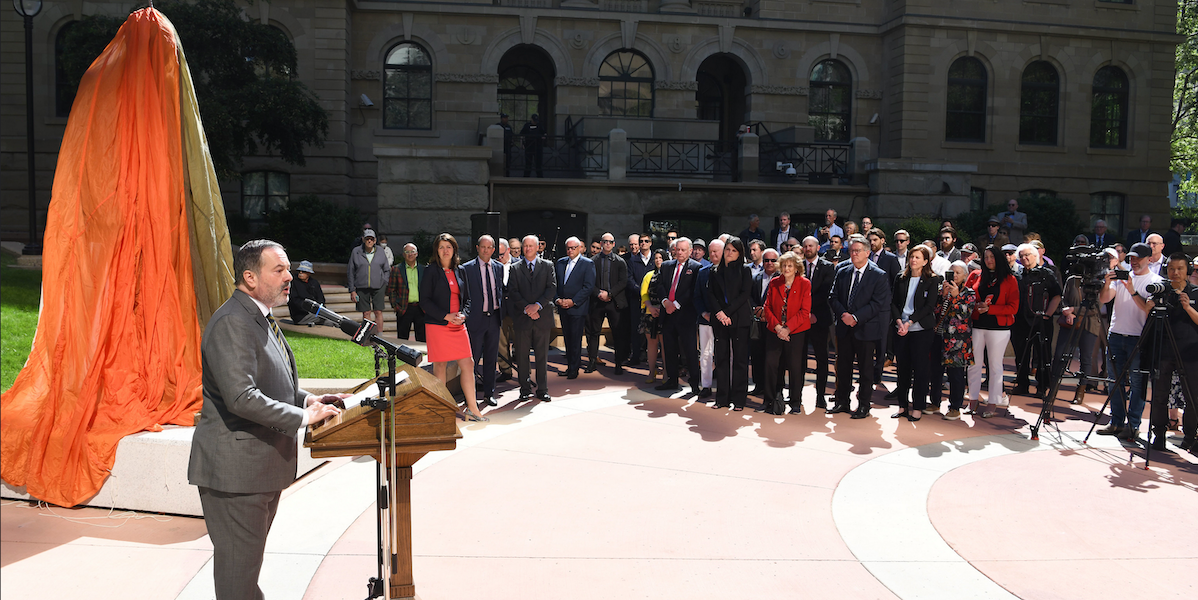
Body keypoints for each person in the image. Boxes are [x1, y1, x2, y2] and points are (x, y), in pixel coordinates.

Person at [189, 240, 346, 600]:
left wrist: (309, 399)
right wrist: (304, 417)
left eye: (288, 269)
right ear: (249, 276)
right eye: (279, 270)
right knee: (237, 577)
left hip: (256, 470)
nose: (290, 277)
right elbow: (242, 397)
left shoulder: (259, 315)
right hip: (236, 474)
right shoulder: (232, 321)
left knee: (244, 571)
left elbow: (272, 382)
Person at [1096, 242, 1163, 441]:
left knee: (1137, 383)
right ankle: (1116, 421)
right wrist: (1107, 283)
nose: (1133, 262)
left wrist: (1133, 291)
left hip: (1139, 338)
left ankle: (1133, 424)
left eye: (1138, 258)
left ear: (1149, 259)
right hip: (1116, 334)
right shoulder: (1122, 277)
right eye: (1131, 258)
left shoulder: (1155, 281)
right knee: (1114, 381)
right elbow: (1104, 299)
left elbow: (1148, 308)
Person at [421, 233, 486, 422]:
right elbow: (425, 301)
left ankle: (472, 409)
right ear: (436, 250)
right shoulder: (431, 271)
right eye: (441, 247)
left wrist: (463, 314)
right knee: (439, 366)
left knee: (468, 363)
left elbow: (468, 299)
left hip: (458, 325)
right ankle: (441, 411)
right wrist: (445, 316)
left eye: (448, 247)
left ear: (454, 249)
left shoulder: (460, 270)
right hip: (438, 324)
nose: (445, 250)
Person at [828, 235, 893, 418]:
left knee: (865, 371)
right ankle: (842, 401)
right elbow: (833, 296)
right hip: (844, 328)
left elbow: (877, 303)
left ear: (867, 253)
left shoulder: (878, 275)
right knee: (843, 368)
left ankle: (864, 405)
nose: (853, 254)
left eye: (857, 251)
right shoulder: (843, 271)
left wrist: (856, 317)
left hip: (866, 329)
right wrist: (844, 315)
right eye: (851, 251)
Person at [1149, 254, 1198, 451]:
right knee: (1160, 395)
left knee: (1193, 397)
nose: (1175, 273)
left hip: (1190, 352)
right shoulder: (1163, 291)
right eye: (1171, 269)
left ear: (1188, 271)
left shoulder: (1195, 292)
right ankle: (1159, 433)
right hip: (1164, 350)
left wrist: (1187, 307)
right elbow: (1148, 317)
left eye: (1179, 269)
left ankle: (1190, 436)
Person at [890, 245, 943, 421]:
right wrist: (899, 322)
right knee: (902, 370)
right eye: (912, 257)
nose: (913, 260)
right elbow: (894, 303)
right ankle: (902, 405)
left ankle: (918, 406)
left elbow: (929, 307)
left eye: (918, 257)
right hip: (901, 330)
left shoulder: (932, 279)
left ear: (926, 261)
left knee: (920, 370)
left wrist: (910, 321)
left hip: (921, 330)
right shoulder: (901, 277)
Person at [966, 246, 1020, 418]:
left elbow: (1014, 307)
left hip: (999, 328)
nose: (989, 260)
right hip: (977, 325)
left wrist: (990, 309)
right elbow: (965, 298)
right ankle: (972, 400)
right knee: (973, 364)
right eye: (986, 257)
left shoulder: (1010, 279)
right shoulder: (975, 275)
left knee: (995, 366)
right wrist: (977, 308)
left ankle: (993, 402)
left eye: (992, 257)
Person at [707, 236, 755, 410]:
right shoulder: (714, 271)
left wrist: (727, 312)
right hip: (720, 320)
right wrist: (720, 313)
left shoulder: (745, 270)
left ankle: (739, 400)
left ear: (739, 253)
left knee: (740, 360)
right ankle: (722, 399)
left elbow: (744, 294)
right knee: (721, 359)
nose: (729, 253)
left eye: (733, 250)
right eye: (727, 249)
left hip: (739, 320)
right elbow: (711, 294)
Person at [762, 251, 812, 415]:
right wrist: (777, 327)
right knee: (771, 364)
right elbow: (767, 307)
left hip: (796, 332)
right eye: (784, 265)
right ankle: (770, 399)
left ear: (797, 267)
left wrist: (787, 329)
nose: (786, 268)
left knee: (795, 366)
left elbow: (805, 312)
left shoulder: (804, 283)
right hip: (775, 330)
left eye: (790, 265)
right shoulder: (775, 282)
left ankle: (795, 402)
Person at [508, 235, 557, 402]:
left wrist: (537, 306)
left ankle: (542, 389)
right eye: (525, 246)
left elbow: (551, 289)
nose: (528, 249)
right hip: (523, 318)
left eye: (531, 246)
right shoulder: (515, 268)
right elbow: (512, 291)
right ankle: (525, 388)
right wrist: (527, 309)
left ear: (537, 248)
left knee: (542, 355)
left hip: (542, 318)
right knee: (522, 356)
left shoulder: (548, 266)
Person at [1010, 244, 1062, 398]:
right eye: (1021, 256)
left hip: (1041, 322)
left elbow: (1057, 295)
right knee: (1021, 354)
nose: (1024, 258)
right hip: (1020, 321)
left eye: (1027, 255)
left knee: (1043, 355)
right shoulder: (1017, 275)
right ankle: (1022, 384)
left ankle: (1042, 386)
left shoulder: (1047, 274)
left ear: (1035, 256)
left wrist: (1048, 314)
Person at [653, 237, 702, 394]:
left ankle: (695, 383)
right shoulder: (666, 266)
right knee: (669, 349)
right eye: (677, 250)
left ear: (690, 251)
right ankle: (672, 380)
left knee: (690, 351)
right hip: (668, 314)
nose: (679, 252)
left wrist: (677, 304)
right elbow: (659, 285)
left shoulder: (696, 267)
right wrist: (665, 301)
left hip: (685, 316)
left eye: (683, 250)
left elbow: (693, 290)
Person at [1052, 256, 1104, 402]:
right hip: (1069, 322)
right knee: (1059, 355)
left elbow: (1096, 307)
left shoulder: (1098, 282)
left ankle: (1080, 391)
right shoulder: (1071, 280)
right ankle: (1054, 387)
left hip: (1089, 323)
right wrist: (1067, 312)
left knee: (1086, 358)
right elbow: (1064, 299)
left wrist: (1073, 310)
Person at [463, 235, 505, 407]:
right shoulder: (466, 268)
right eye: (483, 247)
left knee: (491, 358)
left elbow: (501, 291)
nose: (486, 250)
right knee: (472, 360)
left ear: (494, 249)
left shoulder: (499, 267)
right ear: (477, 248)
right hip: (475, 319)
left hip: (494, 318)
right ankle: (470, 395)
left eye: (489, 247)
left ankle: (489, 393)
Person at [933, 261, 975, 420]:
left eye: (958, 273)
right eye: (952, 272)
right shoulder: (941, 290)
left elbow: (965, 314)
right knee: (935, 372)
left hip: (957, 341)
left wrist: (956, 297)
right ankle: (934, 402)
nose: (955, 276)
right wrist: (943, 296)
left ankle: (955, 406)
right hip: (939, 336)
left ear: (965, 275)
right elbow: (935, 311)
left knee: (956, 375)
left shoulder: (969, 293)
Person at [586, 232, 629, 374]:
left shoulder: (620, 261)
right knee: (594, 332)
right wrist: (598, 293)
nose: (607, 244)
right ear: (601, 243)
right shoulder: (593, 261)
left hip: (614, 301)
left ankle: (618, 364)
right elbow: (589, 282)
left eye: (610, 242)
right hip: (597, 301)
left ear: (614, 244)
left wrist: (610, 294)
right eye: (605, 241)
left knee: (617, 333)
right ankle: (592, 362)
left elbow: (623, 282)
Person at [800, 236, 835, 409]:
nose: (808, 248)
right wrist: (805, 313)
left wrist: (811, 312)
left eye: (811, 246)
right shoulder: (797, 265)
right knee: (799, 358)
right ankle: (795, 395)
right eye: (805, 246)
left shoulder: (828, 267)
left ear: (818, 247)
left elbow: (825, 292)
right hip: (800, 319)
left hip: (819, 318)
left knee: (822, 358)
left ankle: (820, 395)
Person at [554, 236, 594, 379]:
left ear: (579, 248)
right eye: (568, 248)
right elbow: (555, 283)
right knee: (567, 338)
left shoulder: (587, 264)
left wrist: (573, 301)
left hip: (577, 308)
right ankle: (570, 365)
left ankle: (574, 368)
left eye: (573, 248)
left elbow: (588, 287)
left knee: (575, 339)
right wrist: (558, 299)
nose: (570, 251)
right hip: (562, 306)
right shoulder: (560, 263)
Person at [694, 239, 725, 398]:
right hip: (706, 320)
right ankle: (705, 386)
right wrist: (704, 313)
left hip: (725, 321)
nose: (713, 254)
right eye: (711, 251)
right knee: (705, 354)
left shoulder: (730, 272)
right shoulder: (702, 272)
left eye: (716, 251)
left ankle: (725, 387)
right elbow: (697, 297)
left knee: (725, 354)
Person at [749, 248, 780, 396]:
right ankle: (759, 385)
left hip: (774, 323)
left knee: (772, 357)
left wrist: (767, 312)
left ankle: (774, 388)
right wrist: (756, 309)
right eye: (766, 260)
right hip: (757, 322)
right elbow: (749, 296)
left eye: (773, 260)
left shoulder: (782, 279)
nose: (769, 263)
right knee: (757, 355)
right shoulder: (756, 277)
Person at [348, 229, 390, 329]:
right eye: (367, 239)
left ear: (375, 240)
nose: (369, 241)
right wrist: (352, 290)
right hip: (361, 286)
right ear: (363, 239)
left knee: (378, 311)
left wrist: (384, 282)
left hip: (378, 286)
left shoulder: (380, 251)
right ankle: (368, 335)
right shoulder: (356, 252)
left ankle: (379, 336)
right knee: (366, 313)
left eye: (371, 239)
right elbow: (350, 271)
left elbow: (386, 269)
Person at [386, 243, 425, 341]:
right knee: (402, 338)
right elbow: (391, 290)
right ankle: (402, 357)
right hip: (404, 308)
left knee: (422, 338)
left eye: (412, 252)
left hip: (421, 308)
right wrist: (396, 306)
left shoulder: (423, 269)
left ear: (416, 254)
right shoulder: (396, 269)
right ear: (403, 254)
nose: (410, 254)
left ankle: (423, 356)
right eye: (407, 252)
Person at [626, 233, 655, 366]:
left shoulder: (656, 259)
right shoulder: (632, 261)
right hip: (636, 300)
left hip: (653, 301)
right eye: (641, 241)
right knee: (635, 329)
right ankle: (636, 355)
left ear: (650, 243)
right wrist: (641, 291)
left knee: (652, 329)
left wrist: (649, 293)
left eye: (646, 241)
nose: (643, 243)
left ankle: (650, 357)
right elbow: (629, 279)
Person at [641, 249, 669, 383]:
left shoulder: (669, 275)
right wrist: (651, 308)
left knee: (665, 344)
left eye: (661, 258)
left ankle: (666, 373)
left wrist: (661, 308)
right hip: (650, 314)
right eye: (656, 258)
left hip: (665, 314)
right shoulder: (648, 275)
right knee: (651, 344)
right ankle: (652, 372)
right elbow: (644, 293)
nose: (658, 260)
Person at [287, 260, 326, 326]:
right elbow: (294, 301)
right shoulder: (293, 283)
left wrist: (320, 309)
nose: (300, 272)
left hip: (316, 313)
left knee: (331, 317)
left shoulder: (314, 283)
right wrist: (311, 309)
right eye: (299, 271)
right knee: (329, 319)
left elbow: (321, 299)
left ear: (309, 273)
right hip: (301, 316)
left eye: (303, 271)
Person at [520, 113, 546, 177]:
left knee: (538, 163)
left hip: (538, 147)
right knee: (528, 163)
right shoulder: (527, 125)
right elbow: (522, 134)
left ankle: (540, 177)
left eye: (536, 121)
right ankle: (526, 176)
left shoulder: (540, 125)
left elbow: (544, 134)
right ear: (531, 119)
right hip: (529, 146)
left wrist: (543, 138)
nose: (535, 122)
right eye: (534, 120)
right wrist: (522, 144)